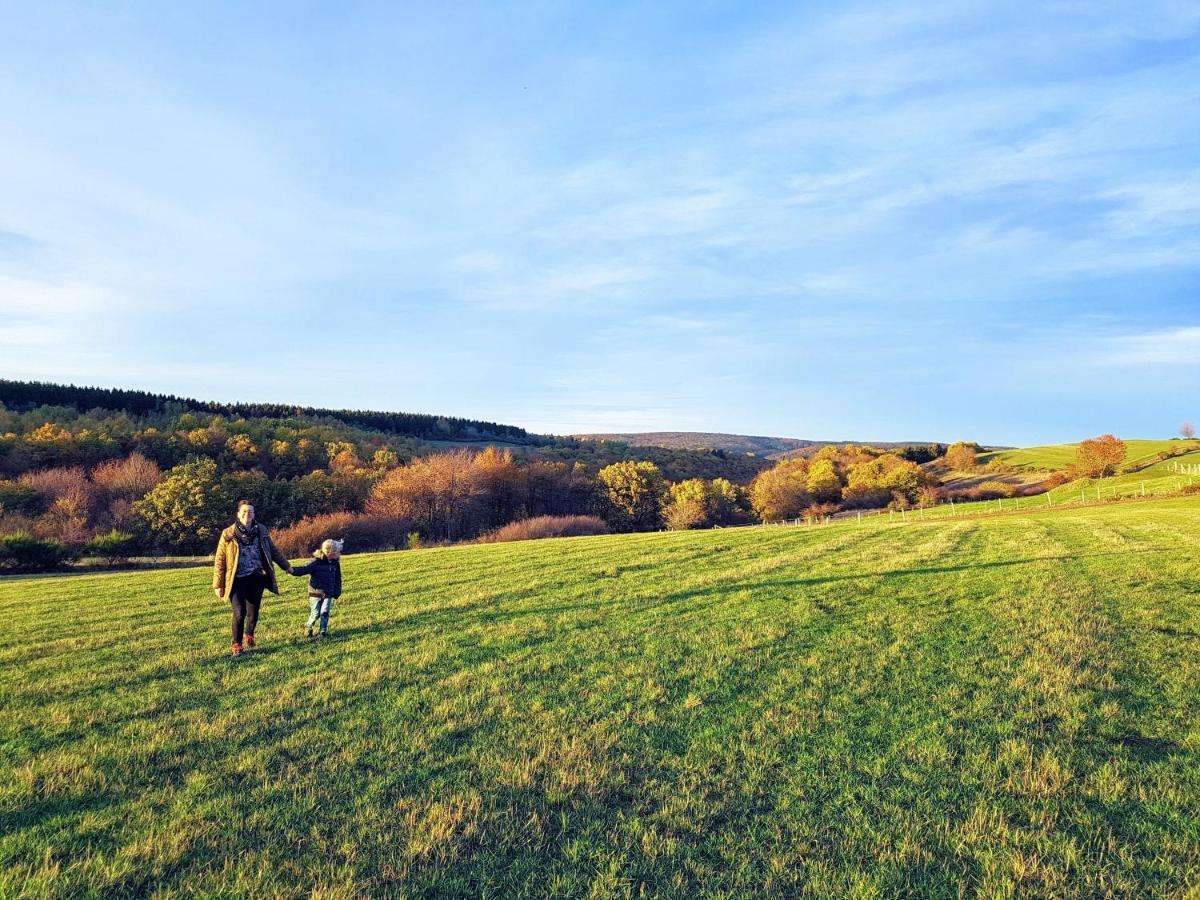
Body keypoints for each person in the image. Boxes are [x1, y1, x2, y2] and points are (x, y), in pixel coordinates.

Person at [212, 500, 294, 656]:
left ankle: (249, 634)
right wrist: (218, 584)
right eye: (244, 511)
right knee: (239, 612)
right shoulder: (228, 534)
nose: (247, 514)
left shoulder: (261, 530)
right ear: (238, 514)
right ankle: (236, 644)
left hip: (256, 577)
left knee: (253, 612)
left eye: (250, 511)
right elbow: (220, 560)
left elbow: (273, 551)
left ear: (254, 514)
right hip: (236, 579)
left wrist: (287, 566)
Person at [291, 539, 343, 639]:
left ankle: (322, 632)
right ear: (330, 552)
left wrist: (337, 591)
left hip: (328, 593)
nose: (340, 554)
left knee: (325, 613)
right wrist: (292, 570)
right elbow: (304, 569)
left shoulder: (335, 563)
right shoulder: (316, 562)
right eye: (338, 552)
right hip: (315, 593)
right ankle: (309, 627)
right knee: (315, 613)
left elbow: (338, 578)